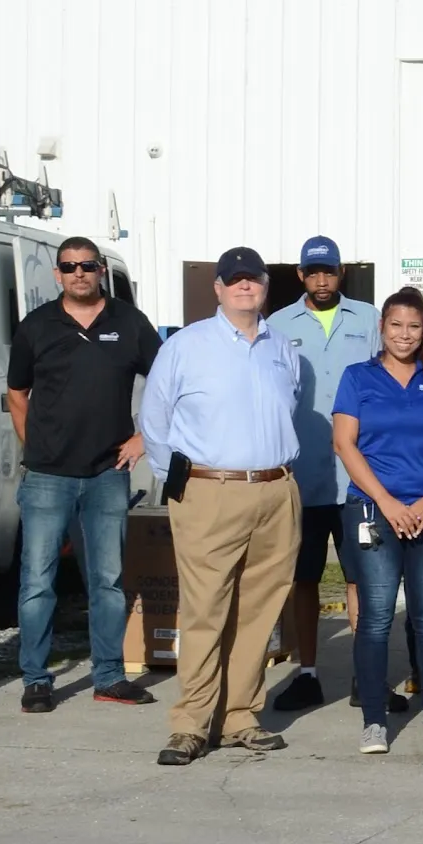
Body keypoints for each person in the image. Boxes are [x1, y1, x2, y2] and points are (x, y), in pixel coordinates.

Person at [138, 248, 302, 765]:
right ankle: (191, 723)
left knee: (259, 610)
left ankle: (239, 716)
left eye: (253, 278)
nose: (244, 286)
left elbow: (290, 405)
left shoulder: (282, 346)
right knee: (205, 610)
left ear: (265, 285)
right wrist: (181, 482)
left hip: (275, 489)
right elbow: (154, 421)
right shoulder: (186, 346)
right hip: (210, 490)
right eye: (235, 280)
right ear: (218, 288)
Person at [6, 234, 162, 710]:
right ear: (58, 274)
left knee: (107, 581)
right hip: (47, 476)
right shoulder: (37, 326)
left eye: (88, 265)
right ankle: (36, 680)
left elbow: (167, 381)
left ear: (100, 271)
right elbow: (17, 393)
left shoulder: (129, 323)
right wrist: (36, 447)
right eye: (70, 266)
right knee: (38, 581)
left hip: (107, 473)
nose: (79, 273)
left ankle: (109, 677)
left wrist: (145, 437)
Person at [333, 291, 423, 754]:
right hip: (374, 512)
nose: (405, 335)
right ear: (382, 328)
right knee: (375, 619)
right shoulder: (358, 377)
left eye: (414, 327)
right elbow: (345, 444)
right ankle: (374, 721)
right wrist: (387, 502)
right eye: (396, 325)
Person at [267, 237, 376, 717]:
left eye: (328, 271)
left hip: (357, 478)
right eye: (313, 273)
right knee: (305, 578)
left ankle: (364, 674)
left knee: (360, 578)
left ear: (341, 272)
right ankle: (308, 673)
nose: (321, 280)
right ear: (300, 275)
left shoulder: (368, 319)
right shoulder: (277, 325)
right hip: (304, 477)